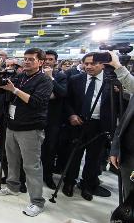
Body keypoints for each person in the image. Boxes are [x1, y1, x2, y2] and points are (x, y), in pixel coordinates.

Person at [0, 48, 53, 217]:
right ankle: (12, 187)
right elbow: (2, 91)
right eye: (25, 59)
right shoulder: (20, 76)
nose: (27, 62)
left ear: (41, 61)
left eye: (31, 59)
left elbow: (36, 102)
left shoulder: (44, 80)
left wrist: (14, 90)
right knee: (12, 160)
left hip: (31, 129)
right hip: (12, 125)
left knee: (31, 166)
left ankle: (37, 201)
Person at [62, 52, 117, 201]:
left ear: (102, 64)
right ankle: (69, 182)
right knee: (74, 155)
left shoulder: (111, 81)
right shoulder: (75, 80)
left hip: (99, 125)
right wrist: (71, 115)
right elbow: (67, 101)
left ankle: (87, 185)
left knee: (94, 158)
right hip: (78, 123)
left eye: (93, 63)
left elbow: (117, 105)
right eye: (86, 63)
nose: (88, 66)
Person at [41, 50, 67, 190]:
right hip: (36, 117)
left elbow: (62, 93)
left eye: (50, 59)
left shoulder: (61, 76)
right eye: (45, 59)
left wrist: (50, 77)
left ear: (56, 61)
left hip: (53, 119)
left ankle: (48, 176)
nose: (47, 61)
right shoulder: (36, 74)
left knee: (50, 149)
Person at [109, 51, 134, 196]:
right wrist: (116, 148)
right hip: (127, 153)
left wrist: (118, 66)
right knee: (128, 193)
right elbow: (124, 122)